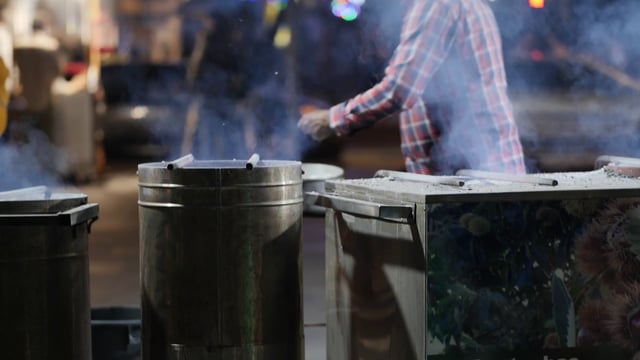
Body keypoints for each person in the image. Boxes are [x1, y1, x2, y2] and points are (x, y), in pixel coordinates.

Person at [297, 0, 527, 175]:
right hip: (477, 172)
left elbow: (400, 89)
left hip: (469, 179)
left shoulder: (435, 5)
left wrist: (331, 119)